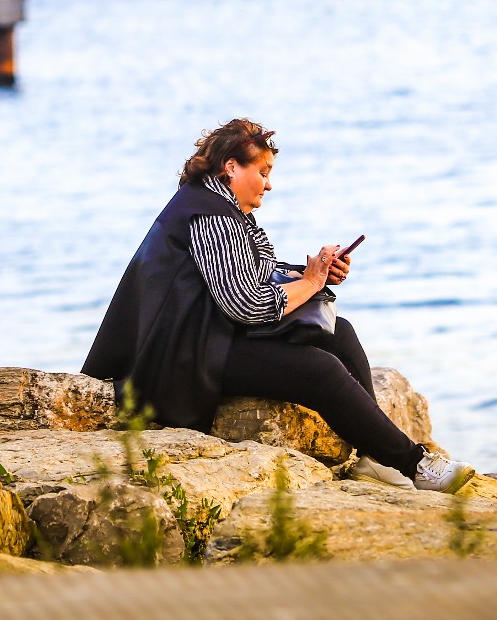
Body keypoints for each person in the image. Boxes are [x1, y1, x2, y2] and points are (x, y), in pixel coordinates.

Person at [83, 119, 466, 493]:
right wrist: (311, 283)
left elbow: (253, 272)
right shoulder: (210, 215)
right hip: (180, 359)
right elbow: (246, 305)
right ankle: (416, 464)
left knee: (339, 330)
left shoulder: (220, 206)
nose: (270, 183)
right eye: (263, 171)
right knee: (319, 370)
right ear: (231, 167)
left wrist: (313, 272)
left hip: (207, 336)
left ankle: (376, 459)